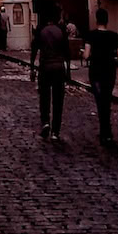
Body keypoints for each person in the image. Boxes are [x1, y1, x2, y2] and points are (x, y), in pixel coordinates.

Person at [85, 7, 118, 148]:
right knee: (106, 100)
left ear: (97, 20)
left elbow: (86, 55)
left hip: (95, 72)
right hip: (109, 71)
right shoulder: (114, 36)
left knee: (100, 102)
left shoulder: (91, 35)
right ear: (107, 21)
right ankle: (107, 132)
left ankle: (104, 131)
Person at [32, 12, 70, 141]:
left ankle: (45, 122)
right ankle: (55, 131)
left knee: (44, 96)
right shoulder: (61, 32)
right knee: (58, 100)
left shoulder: (41, 31)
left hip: (45, 66)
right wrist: (68, 71)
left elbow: (34, 49)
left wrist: (32, 68)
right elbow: (67, 52)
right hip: (59, 66)